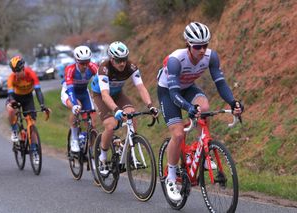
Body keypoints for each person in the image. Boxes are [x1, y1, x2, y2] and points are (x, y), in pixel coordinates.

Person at [157, 21, 244, 202]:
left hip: (188, 87)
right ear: (189, 44)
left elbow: (220, 84)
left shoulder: (211, 57)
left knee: (204, 108)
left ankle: (203, 152)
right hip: (168, 91)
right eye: (198, 46)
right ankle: (171, 177)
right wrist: (188, 108)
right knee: (179, 134)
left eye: (205, 45)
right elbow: (174, 94)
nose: (202, 50)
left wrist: (233, 102)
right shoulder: (175, 60)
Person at [91, 41, 159, 175]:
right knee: (110, 125)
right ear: (111, 59)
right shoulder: (104, 68)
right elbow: (105, 95)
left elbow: (141, 88)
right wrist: (116, 110)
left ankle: (127, 149)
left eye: (124, 59)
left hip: (117, 94)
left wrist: (150, 106)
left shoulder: (131, 67)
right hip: (100, 95)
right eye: (118, 60)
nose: (122, 63)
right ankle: (102, 157)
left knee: (132, 114)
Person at [60, 45, 98, 152]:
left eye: (87, 62)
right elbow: (71, 90)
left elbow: (101, 80)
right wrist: (74, 104)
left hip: (84, 93)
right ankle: (74, 139)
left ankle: (91, 151)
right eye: (82, 63)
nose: (85, 65)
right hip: (69, 93)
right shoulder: (70, 69)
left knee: (92, 125)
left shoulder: (92, 66)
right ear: (76, 61)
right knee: (77, 107)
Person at [6, 56, 48, 151]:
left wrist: (42, 105)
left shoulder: (31, 74)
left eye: (18, 71)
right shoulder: (11, 78)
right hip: (15, 97)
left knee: (31, 123)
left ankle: (34, 149)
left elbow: (38, 91)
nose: (16, 73)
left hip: (28, 98)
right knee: (10, 109)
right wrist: (12, 102)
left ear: (23, 68)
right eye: (14, 71)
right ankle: (14, 130)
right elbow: (10, 94)